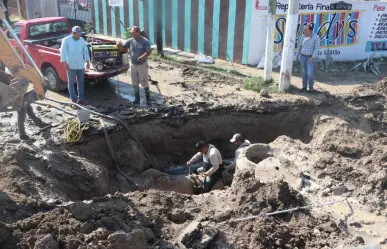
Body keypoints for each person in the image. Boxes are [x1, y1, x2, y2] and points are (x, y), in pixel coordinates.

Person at [0, 70, 49, 140]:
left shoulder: (8, 75)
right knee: (22, 115)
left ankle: (39, 123)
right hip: (16, 98)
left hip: (20, 95)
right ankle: (22, 134)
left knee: (29, 110)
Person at [116, 26, 152, 105]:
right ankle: (137, 99)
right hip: (133, 65)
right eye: (131, 33)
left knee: (144, 81)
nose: (132, 34)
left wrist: (143, 56)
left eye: (133, 33)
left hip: (142, 65)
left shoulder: (145, 41)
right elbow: (122, 49)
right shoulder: (130, 41)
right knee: (134, 82)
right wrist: (118, 45)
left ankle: (148, 100)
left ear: (138, 32)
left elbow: (149, 51)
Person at [60, 26, 90, 105]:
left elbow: (85, 50)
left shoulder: (82, 40)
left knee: (81, 82)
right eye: (78, 34)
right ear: (73, 33)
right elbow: (63, 52)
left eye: (80, 34)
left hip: (80, 65)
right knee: (71, 83)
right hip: (71, 65)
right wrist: (64, 62)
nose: (79, 36)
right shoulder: (66, 40)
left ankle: (81, 99)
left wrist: (87, 61)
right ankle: (73, 100)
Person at [297, 23, 320, 92]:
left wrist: (312, 57)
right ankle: (304, 87)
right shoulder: (303, 36)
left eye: (306, 30)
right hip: (303, 57)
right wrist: (297, 55)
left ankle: (310, 87)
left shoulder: (316, 37)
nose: (304, 31)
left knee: (310, 73)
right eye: (304, 30)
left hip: (310, 58)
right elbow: (300, 46)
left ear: (310, 30)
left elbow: (316, 49)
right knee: (304, 72)